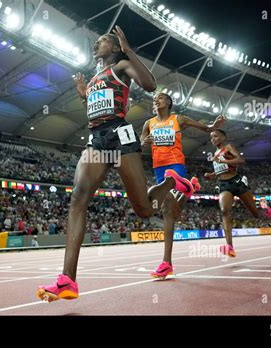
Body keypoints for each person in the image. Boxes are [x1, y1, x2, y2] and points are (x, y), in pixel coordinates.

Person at [36, 26, 195, 302]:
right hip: (97, 139)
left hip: (120, 136)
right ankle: (67, 280)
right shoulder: (96, 75)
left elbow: (150, 85)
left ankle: (172, 182)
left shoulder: (121, 65)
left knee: (145, 210)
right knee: (78, 198)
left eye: (102, 41)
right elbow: (98, 103)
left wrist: (130, 50)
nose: (96, 45)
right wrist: (85, 95)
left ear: (115, 47)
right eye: (96, 42)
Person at [140, 92, 226, 279]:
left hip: (175, 163)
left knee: (169, 199)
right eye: (155, 99)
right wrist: (145, 142)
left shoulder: (178, 119)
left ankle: (179, 184)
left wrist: (214, 126)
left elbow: (205, 128)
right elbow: (140, 145)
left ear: (169, 102)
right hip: (158, 167)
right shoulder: (149, 123)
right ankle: (167, 264)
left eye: (160, 98)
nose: (156, 100)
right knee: (169, 211)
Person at [204, 129, 271, 257]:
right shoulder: (215, 153)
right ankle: (229, 246)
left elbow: (241, 161)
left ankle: (264, 208)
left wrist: (223, 161)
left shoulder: (228, 147)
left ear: (223, 137)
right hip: (224, 185)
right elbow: (222, 170)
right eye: (211, 137)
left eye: (215, 136)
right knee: (224, 211)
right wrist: (212, 175)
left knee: (256, 215)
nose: (213, 139)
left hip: (237, 182)